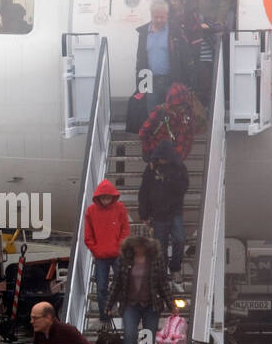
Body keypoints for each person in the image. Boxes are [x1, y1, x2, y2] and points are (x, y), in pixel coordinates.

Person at [106, 234, 176, 344]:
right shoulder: (124, 260)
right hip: (130, 305)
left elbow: (163, 283)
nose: (139, 248)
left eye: (142, 245)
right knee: (130, 340)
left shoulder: (156, 260)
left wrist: (171, 304)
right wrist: (109, 304)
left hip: (150, 305)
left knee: (146, 343)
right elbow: (116, 283)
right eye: (136, 245)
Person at [138, 140, 189, 276]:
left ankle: (175, 267)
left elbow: (183, 187)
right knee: (161, 247)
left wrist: (169, 180)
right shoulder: (150, 170)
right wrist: (144, 215)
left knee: (180, 240)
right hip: (158, 214)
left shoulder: (179, 168)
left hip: (174, 211)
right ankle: (163, 273)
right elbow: (144, 192)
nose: (161, 160)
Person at [83, 179, 129, 320]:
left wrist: (120, 245)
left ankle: (120, 309)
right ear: (98, 198)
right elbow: (88, 235)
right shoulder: (91, 211)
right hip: (101, 256)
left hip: (117, 254)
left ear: (112, 197)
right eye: (103, 198)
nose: (106, 201)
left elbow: (125, 229)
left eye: (108, 198)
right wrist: (96, 250)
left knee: (121, 283)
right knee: (101, 287)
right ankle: (105, 316)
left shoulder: (120, 208)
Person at [135, 1, 191, 114]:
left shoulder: (175, 31)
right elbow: (140, 58)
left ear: (167, 16)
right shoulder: (144, 33)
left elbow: (185, 56)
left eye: (162, 17)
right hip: (150, 81)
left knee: (174, 113)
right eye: (156, 17)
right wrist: (140, 85)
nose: (159, 20)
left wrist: (187, 81)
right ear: (151, 16)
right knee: (152, 114)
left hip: (172, 80)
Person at [139, 83, 198, 162]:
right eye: (179, 105)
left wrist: (181, 157)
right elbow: (143, 133)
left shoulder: (188, 113)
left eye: (184, 105)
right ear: (171, 104)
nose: (182, 108)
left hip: (175, 158)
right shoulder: (160, 111)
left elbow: (189, 137)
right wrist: (150, 154)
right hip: (157, 157)